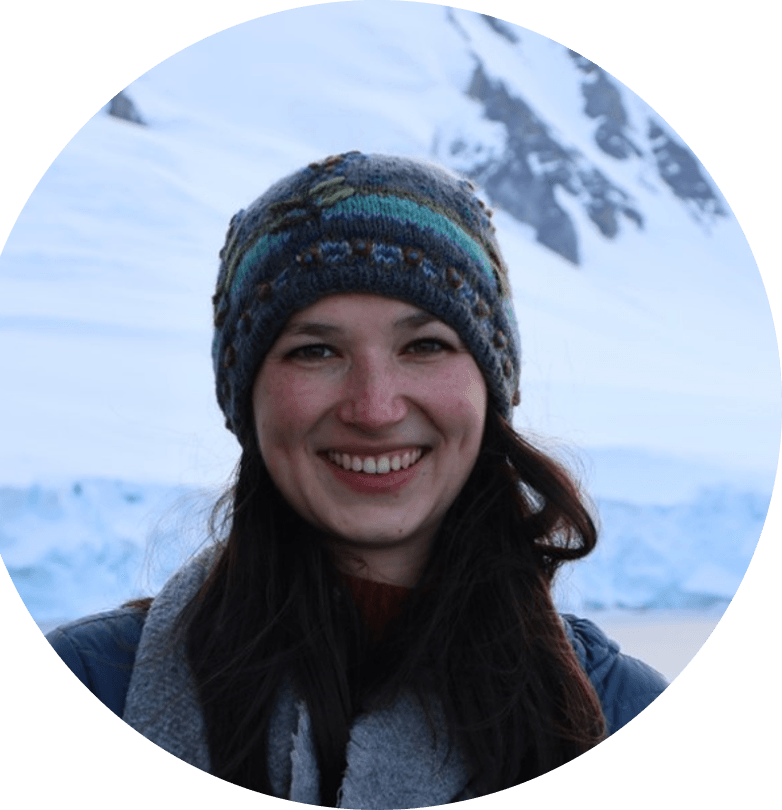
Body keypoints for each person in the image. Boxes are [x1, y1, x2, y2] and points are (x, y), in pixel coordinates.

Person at [47, 152, 667, 808]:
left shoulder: (624, 716)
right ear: (246, 400)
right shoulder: (88, 688)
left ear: (490, 389)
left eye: (424, 346)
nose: (374, 408)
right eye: (315, 350)